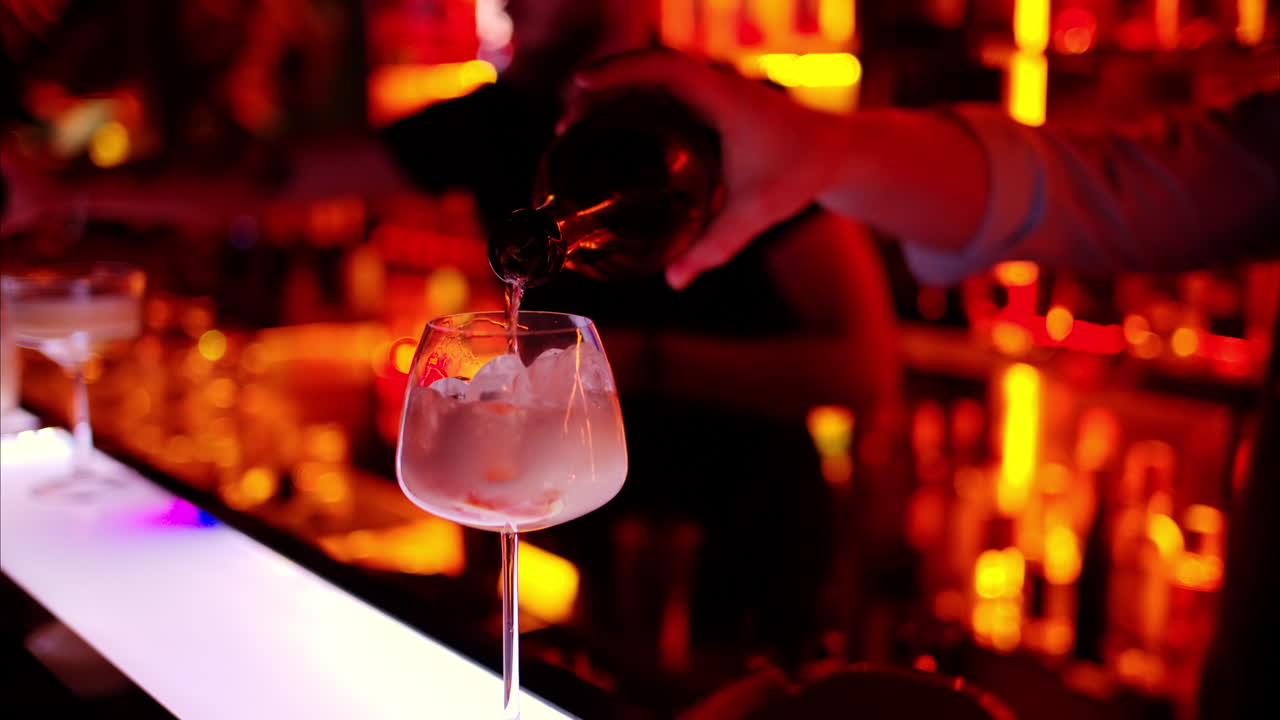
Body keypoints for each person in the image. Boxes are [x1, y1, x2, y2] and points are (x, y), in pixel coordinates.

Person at [2, 0, 907, 678]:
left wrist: (628, 367)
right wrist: (64, 194)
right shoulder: (507, 117)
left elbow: (862, 371)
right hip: (572, 544)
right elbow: (272, 179)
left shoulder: (741, 130)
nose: (506, 1)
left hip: (740, 557)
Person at [568, 48, 1279, 719]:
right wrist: (825, 148)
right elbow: (1122, 183)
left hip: (759, 560)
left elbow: (868, 367)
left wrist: (824, 153)